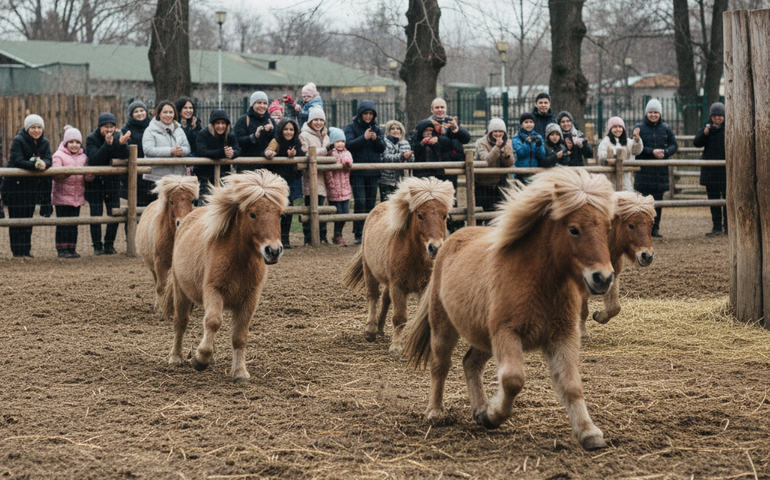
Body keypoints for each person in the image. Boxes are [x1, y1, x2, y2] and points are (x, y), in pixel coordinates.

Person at [2, 114, 52, 257]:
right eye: (33, 127)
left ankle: (26, 251)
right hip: (15, 187)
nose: (36, 130)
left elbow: (49, 158)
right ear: (27, 128)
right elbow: (17, 160)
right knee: (16, 220)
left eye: (39, 127)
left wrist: (44, 164)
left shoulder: (45, 142)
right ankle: (17, 253)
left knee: (28, 220)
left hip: (31, 188)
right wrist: (36, 164)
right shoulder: (18, 140)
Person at [86, 112, 130, 255]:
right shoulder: (91, 139)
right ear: (100, 127)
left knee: (114, 214)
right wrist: (107, 145)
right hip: (96, 184)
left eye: (112, 126)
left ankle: (109, 244)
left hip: (112, 183)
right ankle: (97, 245)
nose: (109, 130)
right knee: (96, 214)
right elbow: (94, 160)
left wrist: (122, 145)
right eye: (106, 127)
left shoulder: (119, 137)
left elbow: (124, 156)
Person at [633, 98, 678, 238]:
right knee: (644, 203)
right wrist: (651, 151)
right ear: (646, 113)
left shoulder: (666, 128)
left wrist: (665, 152)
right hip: (644, 172)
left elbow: (674, 145)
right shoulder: (639, 128)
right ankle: (644, 230)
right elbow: (636, 148)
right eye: (651, 112)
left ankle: (655, 229)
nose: (653, 115)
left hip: (660, 172)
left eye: (656, 112)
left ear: (660, 114)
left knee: (658, 202)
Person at [344, 100, 386, 244]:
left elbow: (382, 148)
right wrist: (364, 138)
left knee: (371, 203)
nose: (368, 116)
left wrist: (376, 139)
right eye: (366, 113)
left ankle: (371, 232)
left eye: (370, 114)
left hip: (373, 171)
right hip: (357, 172)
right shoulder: (351, 127)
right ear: (360, 114)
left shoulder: (377, 128)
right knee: (360, 202)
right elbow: (348, 145)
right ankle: (358, 232)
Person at [426, 97, 471, 232]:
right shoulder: (427, 124)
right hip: (436, 166)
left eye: (442, 107)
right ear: (432, 109)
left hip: (453, 165)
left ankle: (454, 224)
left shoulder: (451, 122)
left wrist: (456, 129)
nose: (440, 110)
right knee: (436, 197)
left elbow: (466, 138)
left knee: (452, 195)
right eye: (437, 108)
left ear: (446, 109)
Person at [265, 117, 303, 248]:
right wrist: (270, 153)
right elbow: (268, 150)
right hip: (277, 181)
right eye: (286, 129)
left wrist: (294, 154)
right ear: (281, 130)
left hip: (291, 180)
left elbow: (303, 155)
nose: (288, 132)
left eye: (291, 129)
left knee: (288, 209)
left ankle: (285, 239)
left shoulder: (297, 142)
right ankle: (275, 237)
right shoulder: (276, 141)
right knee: (275, 211)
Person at [51, 126, 88, 258]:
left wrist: (89, 175)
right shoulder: (58, 155)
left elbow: (87, 172)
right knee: (63, 224)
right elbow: (55, 173)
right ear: (66, 143)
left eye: (77, 142)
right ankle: (61, 249)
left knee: (73, 224)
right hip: (62, 196)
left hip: (77, 196)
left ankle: (72, 248)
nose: (74, 145)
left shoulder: (83, 157)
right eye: (71, 142)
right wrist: (67, 173)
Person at [694, 102, 727, 236]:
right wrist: (704, 133)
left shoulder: (728, 130)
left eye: (720, 116)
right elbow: (696, 143)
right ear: (711, 117)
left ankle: (728, 227)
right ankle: (717, 226)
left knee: (727, 201)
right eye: (715, 116)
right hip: (710, 172)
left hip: (725, 171)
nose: (717, 118)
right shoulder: (706, 130)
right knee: (713, 201)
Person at [300, 107, 331, 245]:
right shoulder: (304, 135)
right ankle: (308, 236)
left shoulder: (324, 135)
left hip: (323, 176)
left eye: (321, 120)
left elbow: (330, 150)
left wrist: (324, 140)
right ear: (310, 121)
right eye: (315, 119)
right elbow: (307, 153)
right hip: (310, 177)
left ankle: (322, 235)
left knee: (321, 206)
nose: (318, 122)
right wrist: (324, 150)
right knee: (310, 205)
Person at [142, 100, 191, 186]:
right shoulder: (150, 130)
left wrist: (181, 151)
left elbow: (187, 148)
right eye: (165, 112)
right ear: (159, 114)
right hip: (156, 178)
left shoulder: (179, 130)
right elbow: (148, 150)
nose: (168, 115)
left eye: (171, 112)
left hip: (177, 177)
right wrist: (170, 151)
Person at [474, 117, 513, 223]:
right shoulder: (482, 143)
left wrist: (506, 154)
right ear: (490, 132)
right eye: (495, 131)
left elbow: (510, 163)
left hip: (499, 183)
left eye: (500, 131)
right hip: (482, 183)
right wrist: (497, 147)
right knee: (481, 213)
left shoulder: (507, 142)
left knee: (498, 214)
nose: (498, 134)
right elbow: (486, 161)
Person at [195, 109, 240, 200]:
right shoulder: (203, 134)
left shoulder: (230, 135)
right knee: (205, 204)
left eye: (223, 123)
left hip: (223, 176)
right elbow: (202, 151)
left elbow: (238, 149)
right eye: (217, 123)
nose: (220, 126)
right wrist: (222, 152)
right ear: (212, 124)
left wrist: (232, 153)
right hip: (204, 176)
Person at [596, 116, 643, 191]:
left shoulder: (627, 141)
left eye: (620, 127)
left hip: (626, 179)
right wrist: (610, 158)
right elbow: (602, 155)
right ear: (610, 129)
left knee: (626, 199)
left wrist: (637, 140)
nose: (618, 129)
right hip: (610, 178)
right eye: (614, 127)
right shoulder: (606, 141)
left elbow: (637, 151)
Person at [324, 127, 353, 245]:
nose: (340, 144)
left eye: (342, 141)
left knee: (345, 213)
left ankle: (339, 233)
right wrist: (330, 182)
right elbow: (328, 170)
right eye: (337, 142)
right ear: (333, 143)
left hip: (345, 189)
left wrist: (346, 161)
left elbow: (350, 161)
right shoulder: (330, 154)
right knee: (337, 213)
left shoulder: (347, 153)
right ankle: (337, 235)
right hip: (334, 190)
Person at [121, 100, 153, 206]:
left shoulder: (153, 127)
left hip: (151, 171)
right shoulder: (126, 129)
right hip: (134, 172)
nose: (140, 113)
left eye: (142, 110)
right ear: (131, 115)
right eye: (136, 111)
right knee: (135, 206)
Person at [234, 91, 273, 171]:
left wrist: (270, 132)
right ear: (252, 104)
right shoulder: (243, 120)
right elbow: (237, 141)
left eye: (265, 103)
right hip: (246, 168)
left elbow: (276, 141)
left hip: (267, 169)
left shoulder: (270, 121)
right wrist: (254, 137)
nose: (262, 106)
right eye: (259, 102)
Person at [379, 120, 412, 202]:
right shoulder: (385, 143)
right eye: (392, 129)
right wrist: (402, 156)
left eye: (398, 128)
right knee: (387, 203)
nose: (395, 131)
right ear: (388, 130)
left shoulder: (405, 142)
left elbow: (411, 160)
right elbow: (386, 157)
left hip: (402, 179)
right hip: (387, 179)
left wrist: (410, 156)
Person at [512, 112, 545, 184]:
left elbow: (542, 155)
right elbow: (521, 153)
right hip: (520, 173)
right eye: (526, 122)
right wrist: (527, 143)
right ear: (521, 124)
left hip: (534, 173)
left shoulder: (538, 136)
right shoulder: (517, 138)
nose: (529, 124)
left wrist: (539, 145)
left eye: (531, 122)